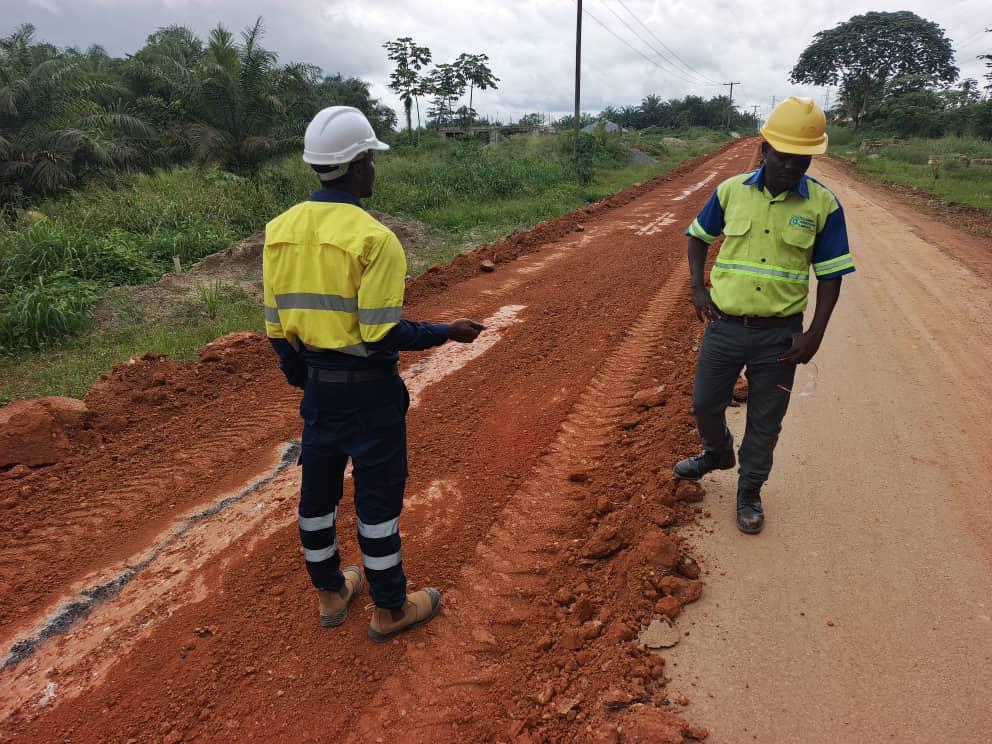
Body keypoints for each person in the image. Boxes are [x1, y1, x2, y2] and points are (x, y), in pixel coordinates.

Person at [263, 106, 485, 641]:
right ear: (358, 164)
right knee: (377, 502)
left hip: (320, 394)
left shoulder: (278, 231)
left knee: (317, 500)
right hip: (371, 397)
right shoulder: (375, 239)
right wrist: (446, 331)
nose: (374, 170)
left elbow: (276, 327)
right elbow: (381, 334)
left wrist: (306, 379)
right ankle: (389, 608)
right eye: (371, 159)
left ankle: (331, 593)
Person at [673, 97, 854, 534]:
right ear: (765, 149)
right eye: (784, 155)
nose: (792, 165)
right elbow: (698, 237)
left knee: (766, 421)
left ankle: (749, 491)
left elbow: (831, 275)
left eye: (802, 158)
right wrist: (697, 288)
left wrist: (815, 334)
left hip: (780, 337)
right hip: (725, 326)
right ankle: (717, 451)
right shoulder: (731, 191)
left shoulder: (824, 205)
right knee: (704, 405)